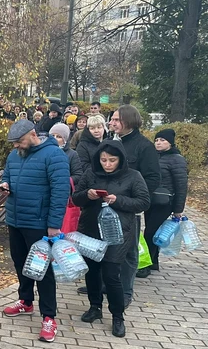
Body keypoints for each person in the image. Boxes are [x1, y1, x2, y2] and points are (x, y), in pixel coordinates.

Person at [0, 120, 70, 342]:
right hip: (16, 219)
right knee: (20, 262)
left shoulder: (54, 156)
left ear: (32, 135)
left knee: (43, 270)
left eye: (19, 142)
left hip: (39, 222)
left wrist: (54, 224)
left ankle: (49, 316)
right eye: (13, 143)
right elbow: (7, 176)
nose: (16, 147)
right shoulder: (14, 156)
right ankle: (25, 301)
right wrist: (5, 184)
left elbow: (60, 192)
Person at [72, 140, 150, 337]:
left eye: (112, 160)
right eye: (103, 159)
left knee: (111, 274)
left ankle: (117, 316)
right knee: (92, 272)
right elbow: (75, 198)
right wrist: (87, 195)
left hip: (118, 233)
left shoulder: (133, 176)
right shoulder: (90, 173)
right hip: (90, 230)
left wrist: (119, 200)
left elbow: (143, 202)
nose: (107, 164)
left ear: (120, 159)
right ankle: (95, 307)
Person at [109, 105, 161, 307]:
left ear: (128, 121)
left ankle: (125, 292)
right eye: (111, 119)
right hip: (107, 205)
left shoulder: (144, 146)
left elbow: (153, 178)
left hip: (129, 208)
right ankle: (106, 284)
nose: (112, 123)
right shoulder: (111, 142)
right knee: (107, 247)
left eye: (116, 120)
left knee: (129, 252)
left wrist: (134, 198)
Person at [138, 129, 188, 278]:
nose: (158, 143)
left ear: (170, 143)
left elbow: (181, 185)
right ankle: (154, 261)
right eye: (157, 140)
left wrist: (178, 209)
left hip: (165, 202)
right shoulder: (153, 157)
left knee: (150, 232)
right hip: (151, 200)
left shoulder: (176, 159)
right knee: (152, 230)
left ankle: (144, 265)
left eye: (162, 140)